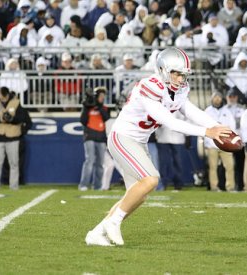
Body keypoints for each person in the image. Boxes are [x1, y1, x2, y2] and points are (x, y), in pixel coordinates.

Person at [85, 47, 231, 246]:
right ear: (163, 69)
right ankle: (113, 221)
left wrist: (215, 126)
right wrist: (206, 132)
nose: (180, 78)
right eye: (176, 73)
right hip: (123, 137)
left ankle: (97, 232)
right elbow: (170, 122)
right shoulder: (151, 85)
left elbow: (191, 111)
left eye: (183, 74)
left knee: (138, 195)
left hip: (139, 141)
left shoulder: (179, 89)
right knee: (151, 179)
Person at [0, 86, 27, 191]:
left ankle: (14, 186)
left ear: (8, 95)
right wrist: (0, 119)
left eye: (5, 96)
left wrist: (11, 119)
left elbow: (22, 118)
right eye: (1, 95)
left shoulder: (16, 103)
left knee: (14, 163)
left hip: (13, 137)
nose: (3, 98)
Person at [78, 87, 110, 191]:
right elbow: (83, 120)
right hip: (90, 136)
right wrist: (86, 107)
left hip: (101, 137)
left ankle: (97, 186)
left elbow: (106, 117)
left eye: (103, 97)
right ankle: (83, 185)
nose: (102, 98)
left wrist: (99, 106)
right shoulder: (88, 107)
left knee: (100, 164)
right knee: (89, 161)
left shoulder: (104, 108)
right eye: (100, 96)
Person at [156, 111, 187, 191]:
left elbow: (185, 119)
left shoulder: (180, 101)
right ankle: (163, 184)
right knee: (163, 162)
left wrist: (188, 135)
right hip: (162, 138)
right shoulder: (160, 102)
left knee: (178, 162)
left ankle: (178, 184)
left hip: (178, 138)